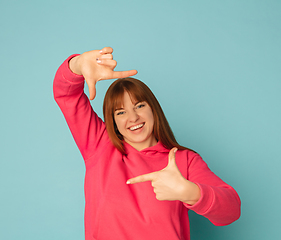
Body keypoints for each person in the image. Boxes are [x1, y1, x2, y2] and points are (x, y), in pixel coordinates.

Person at [53, 47, 241, 240]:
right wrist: (77, 66)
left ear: (153, 109)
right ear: (113, 121)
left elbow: (231, 210)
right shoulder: (99, 145)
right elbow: (67, 95)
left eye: (139, 106)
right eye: (121, 112)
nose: (133, 118)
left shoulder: (183, 161)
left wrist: (190, 192)